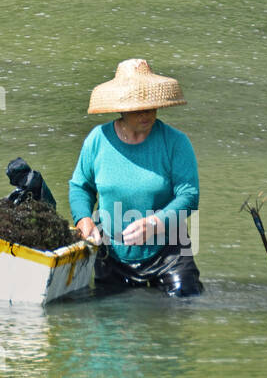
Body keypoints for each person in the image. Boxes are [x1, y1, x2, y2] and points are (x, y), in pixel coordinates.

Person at [69, 59, 203, 297]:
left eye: (151, 106)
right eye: (137, 107)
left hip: (168, 251)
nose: (146, 113)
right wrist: (84, 221)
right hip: (113, 253)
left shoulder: (175, 142)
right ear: (120, 107)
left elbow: (189, 195)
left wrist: (155, 223)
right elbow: (81, 187)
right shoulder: (97, 140)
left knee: (186, 300)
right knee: (114, 315)